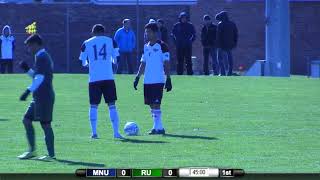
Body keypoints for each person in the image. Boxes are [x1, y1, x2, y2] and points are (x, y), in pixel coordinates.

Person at [79, 24, 123, 139]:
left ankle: (94, 133)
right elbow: (116, 59)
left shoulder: (86, 43)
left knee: (93, 105)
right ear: (104, 32)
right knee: (112, 105)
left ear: (93, 33)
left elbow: (83, 62)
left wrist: (90, 64)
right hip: (108, 77)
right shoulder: (111, 41)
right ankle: (116, 133)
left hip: (94, 79)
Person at [17, 34, 55, 161]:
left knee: (45, 124)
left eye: (30, 46)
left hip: (44, 96)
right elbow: (37, 76)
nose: (29, 49)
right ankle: (32, 151)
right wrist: (27, 69)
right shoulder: (40, 57)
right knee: (26, 120)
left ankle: (50, 155)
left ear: (36, 45)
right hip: (38, 96)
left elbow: (40, 78)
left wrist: (27, 91)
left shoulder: (42, 57)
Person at [133, 23, 172, 135]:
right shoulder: (146, 46)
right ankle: (158, 127)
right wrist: (137, 77)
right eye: (146, 32)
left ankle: (158, 127)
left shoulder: (162, 46)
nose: (146, 34)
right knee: (151, 104)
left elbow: (166, 63)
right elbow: (143, 63)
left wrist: (168, 78)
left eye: (149, 32)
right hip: (147, 80)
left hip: (158, 80)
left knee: (156, 104)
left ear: (155, 32)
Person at [215, 11, 238, 76]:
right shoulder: (232, 24)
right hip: (230, 44)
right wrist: (235, 43)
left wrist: (217, 45)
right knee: (230, 58)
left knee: (219, 58)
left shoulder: (220, 24)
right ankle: (229, 72)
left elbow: (218, 36)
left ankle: (222, 73)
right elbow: (236, 34)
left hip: (221, 44)